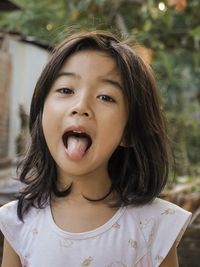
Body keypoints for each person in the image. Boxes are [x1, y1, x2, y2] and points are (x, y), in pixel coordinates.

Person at [0, 31, 191, 267]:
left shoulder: (154, 226)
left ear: (130, 132)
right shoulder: (19, 219)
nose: (80, 106)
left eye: (105, 97)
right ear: (41, 114)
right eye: (66, 90)